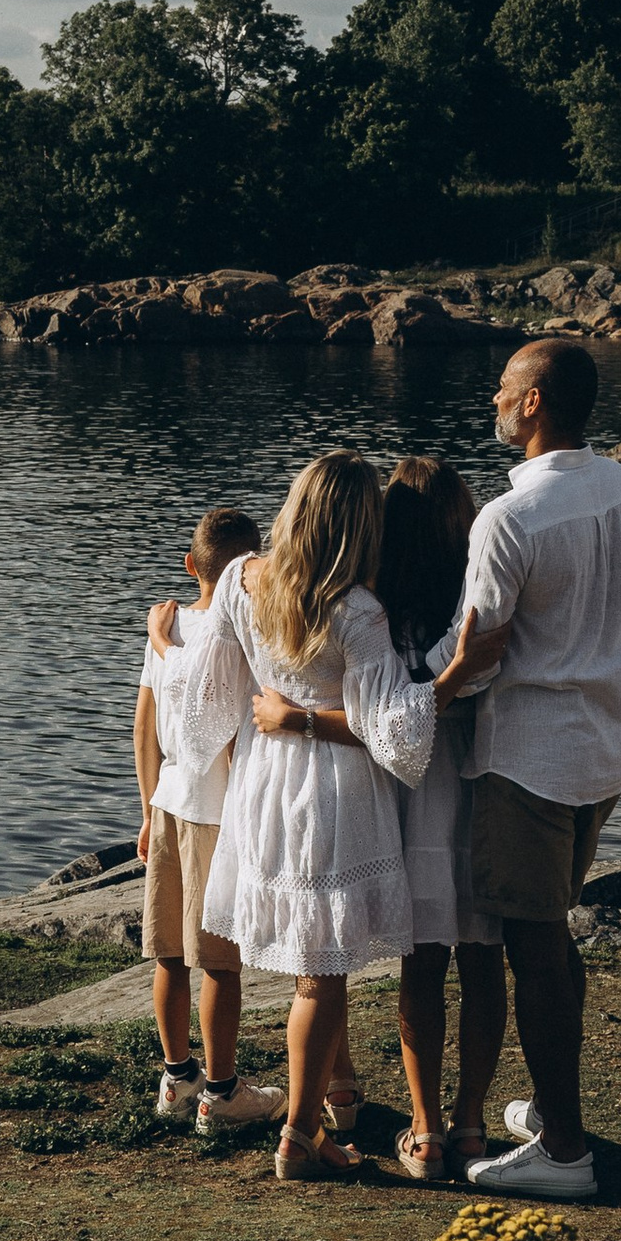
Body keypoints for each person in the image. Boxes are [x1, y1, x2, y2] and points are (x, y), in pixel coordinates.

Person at [154, 451, 497, 1182]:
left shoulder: (244, 579)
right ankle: (302, 1138)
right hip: (337, 790)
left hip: (264, 783)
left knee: (314, 965)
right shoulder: (357, 611)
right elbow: (394, 729)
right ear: (358, 522)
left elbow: (208, 701)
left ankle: (318, 1123)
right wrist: (455, 676)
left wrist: (166, 653)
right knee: (323, 972)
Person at [457, 338, 621, 1203]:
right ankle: (550, 1108)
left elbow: (477, 651)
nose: (493, 399)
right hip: (605, 743)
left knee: (532, 945)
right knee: (553, 932)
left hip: (529, 757)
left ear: (534, 402)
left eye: (503, 386)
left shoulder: (509, 520)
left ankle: (566, 1152)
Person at [375, 457, 508, 1183]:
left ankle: (424, 1130)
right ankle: (470, 1122)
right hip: (478, 778)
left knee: (422, 962)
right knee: (483, 957)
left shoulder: (379, 601)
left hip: (413, 789)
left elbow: (396, 699)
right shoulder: (478, 591)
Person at [133, 501, 278, 1137]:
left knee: (170, 952)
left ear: (191, 565)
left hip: (167, 801)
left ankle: (177, 1075)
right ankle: (220, 1093)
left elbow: (145, 726)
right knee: (219, 959)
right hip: (218, 814)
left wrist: (146, 808)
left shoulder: (171, 630)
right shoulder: (246, 635)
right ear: (255, 566)